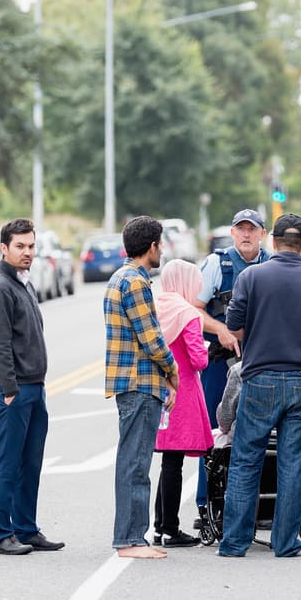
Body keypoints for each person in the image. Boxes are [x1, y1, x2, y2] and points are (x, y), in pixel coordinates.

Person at [218, 213, 301, 558]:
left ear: (272, 241)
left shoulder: (252, 277)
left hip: (259, 379)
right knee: (293, 462)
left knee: (246, 461)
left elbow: (234, 324)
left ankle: (234, 543)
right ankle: (286, 543)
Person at [0, 218, 64, 555]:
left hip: (34, 387)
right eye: (20, 246)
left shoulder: (22, 283)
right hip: (13, 391)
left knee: (30, 463)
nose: (28, 252)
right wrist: (10, 389)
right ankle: (0, 534)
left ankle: (26, 529)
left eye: (31, 245)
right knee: (7, 463)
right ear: (4, 249)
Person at [105, 216, 179, 560]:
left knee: (132, 461)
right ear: (151, 246)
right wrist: (172, 368)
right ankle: (130, 540)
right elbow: (151, 337)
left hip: (132, 381)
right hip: (139, 382)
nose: (161, 250)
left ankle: (131, 536)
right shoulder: (135, 282)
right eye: (160, 244)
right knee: (135, 463)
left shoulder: (121, 277)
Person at [192, 209, 272, 525]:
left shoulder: (272, 264)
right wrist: (220, 329)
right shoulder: (217, 264)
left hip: (261, 361)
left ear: (262, 234)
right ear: (233, 232)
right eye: (241, 229)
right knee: (214, 432)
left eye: (252, 229)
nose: (246, 235)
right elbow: (194, 309)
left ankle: (258, 506)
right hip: (219, 364)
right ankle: (207, 505)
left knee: (260, 433)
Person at [151, 259, 214, 547]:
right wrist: (208, 350)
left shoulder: (157, 306)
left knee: (167, 461)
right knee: (174, 463)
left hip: (159, 390)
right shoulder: (187, 313)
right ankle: (172, 529)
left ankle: (159, 527)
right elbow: (198, 359)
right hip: (183, 390)